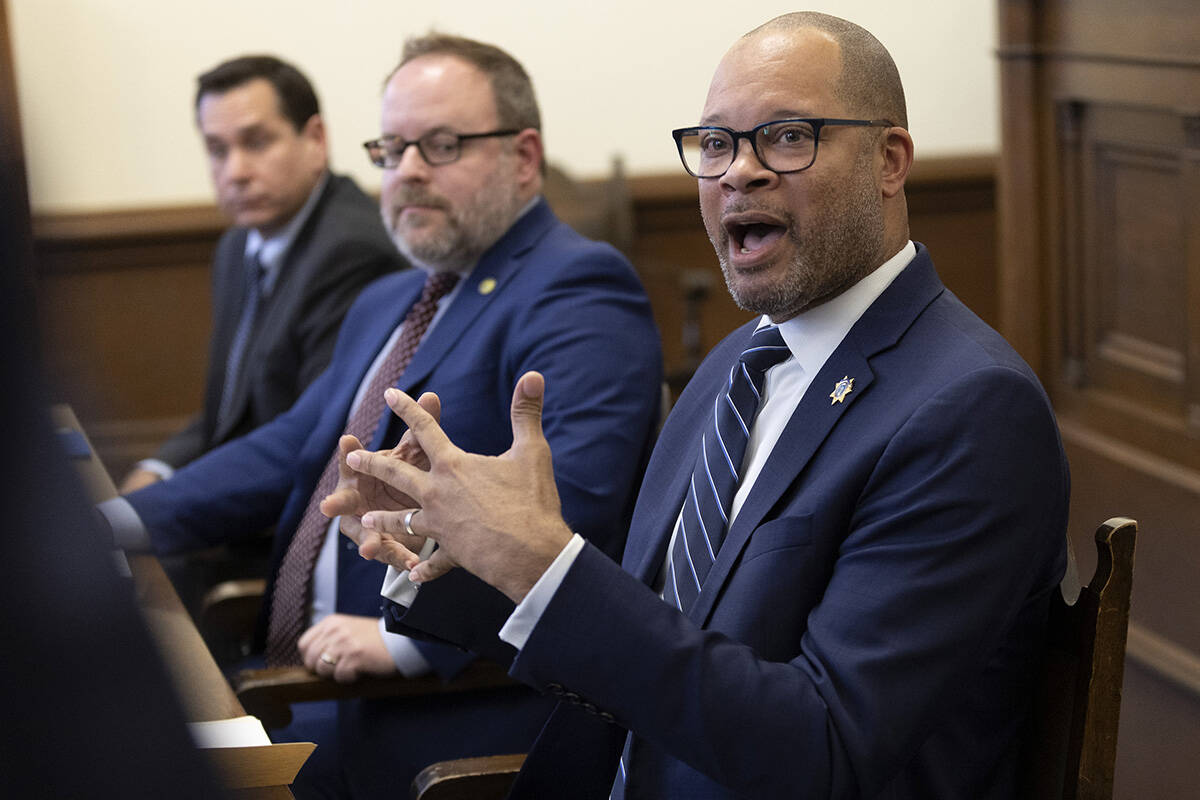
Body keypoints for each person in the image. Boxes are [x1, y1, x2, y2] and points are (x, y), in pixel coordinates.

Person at [336, 12, 1070, 799]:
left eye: (788, 137)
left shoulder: (970, 410)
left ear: (889, 161)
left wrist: (550, 566)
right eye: (716, 144)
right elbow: (646, 644)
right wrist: (454, 543)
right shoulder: (736, 364)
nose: (737, 174)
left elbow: (824, 749)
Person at [100, 35, 663, 799]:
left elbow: (572, 515)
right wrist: (115, 522)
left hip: (440, 700)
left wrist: (407, 647)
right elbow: (293, 446)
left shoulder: (578, 288)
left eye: (440, 145)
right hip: (302, 675)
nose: (408, 172)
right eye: (392, 149)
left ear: (524, 157)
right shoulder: (394, 296)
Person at [119, 55, 405, 494]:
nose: (235, 172)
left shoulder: (351, 252)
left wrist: (157, 505)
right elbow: (233, 413)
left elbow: (309, 440)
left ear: (315, 140)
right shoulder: (238, 246)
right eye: (217, 150)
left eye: (256, 143)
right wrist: (160, 468)